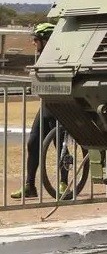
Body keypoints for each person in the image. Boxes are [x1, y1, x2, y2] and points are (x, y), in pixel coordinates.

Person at [11, 22, 67, 199]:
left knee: (60, 147)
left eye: (36, 39)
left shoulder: (60, 55)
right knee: (32, 143)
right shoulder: (41, 57)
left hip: (60, 106)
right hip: (45, 106)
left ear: (46, 40)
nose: (33, 43)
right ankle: (30, 186)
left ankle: (63, 182)